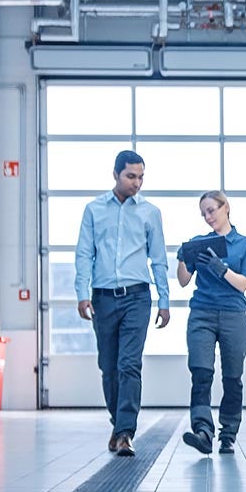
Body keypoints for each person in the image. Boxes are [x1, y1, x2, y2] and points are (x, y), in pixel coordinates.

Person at [75, 150, 171, 457]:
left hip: (138, 297)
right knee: (109, 366)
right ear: (115, 174)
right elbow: (83, 254)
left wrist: (164, 300)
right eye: (131, 176)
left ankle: (127, 431)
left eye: (141, 177)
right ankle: (118, 425)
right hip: (103, 297)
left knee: (130, 364)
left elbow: (158, 259)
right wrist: (81, 292)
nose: (137, 183)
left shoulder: (150, 213)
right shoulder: (93, 210)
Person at [177, 191, 246, 455]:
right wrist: (184, 258)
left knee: (233, 378)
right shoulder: (199, 243)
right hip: (202, 313)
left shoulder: (245, 244)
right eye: (203, 213)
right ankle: (203, 431)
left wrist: (221, 268)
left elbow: (243, 284)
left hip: (233, 314)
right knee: (201, 374)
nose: (208, 217)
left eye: (211, 210)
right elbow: (184, 280)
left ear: (226, 208)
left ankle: (228, 435)